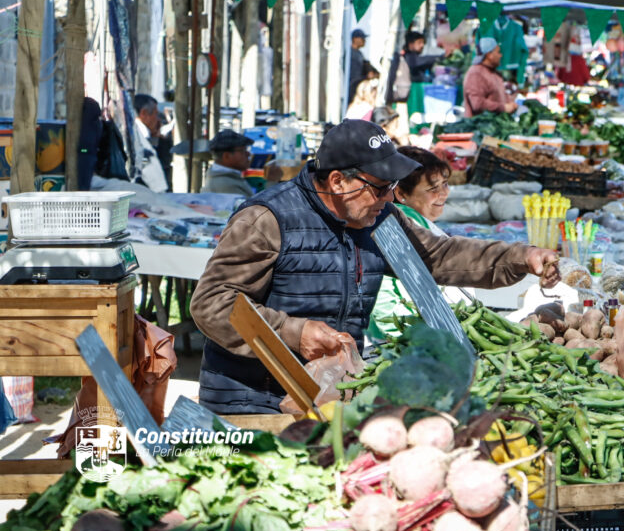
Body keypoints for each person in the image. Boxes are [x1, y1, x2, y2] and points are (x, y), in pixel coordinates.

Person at [189, 120, 559, 414]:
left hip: (327, 397)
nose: (389, 197)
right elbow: (212, 303)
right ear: (337, 181)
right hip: (252, 401)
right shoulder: (268, 219)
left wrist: (519, 258)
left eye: (392, 187)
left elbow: (439, 257)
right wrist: (292, 331)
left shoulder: (380, 219)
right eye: (380, 187)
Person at [368, 146, 452, 341]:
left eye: (445, 184)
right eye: (433, 188)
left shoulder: (421, 224)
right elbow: (384, 305)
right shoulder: (390, 227)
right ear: (400, 192)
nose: (443, 193)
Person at [463, 37, 517, 117]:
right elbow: (477, 104)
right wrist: (503, 107)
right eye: (498, 52)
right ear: (489, 55)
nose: (500, 55)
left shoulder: (493, 72)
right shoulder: (476, 73)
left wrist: (510, 103)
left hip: (498, 124)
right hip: (481, 126)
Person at [131, 94, 170, 192]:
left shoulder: (138, 134)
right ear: (144, 113)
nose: (158, 119)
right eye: (155, 114)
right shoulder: (140, 138)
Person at [400, 30, 441, 121]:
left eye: (423, 43)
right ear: (410, 44)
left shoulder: (416, 56)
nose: (422, 45)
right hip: (411, 93)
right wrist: (439, 57)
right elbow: (417, 63)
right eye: (419, 42)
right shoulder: (407, 56)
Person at [201, 130, 255, 197]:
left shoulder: (229, 177)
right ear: (226, 156)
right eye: (242, 151)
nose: (248, 154)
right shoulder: (225, 185)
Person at [348, 28, 368, 106]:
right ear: (355, 39)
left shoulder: (359, 54)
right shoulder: (350, 52)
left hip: (358, 87)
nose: (364, 40)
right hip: (351, 86)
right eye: (362, 38)